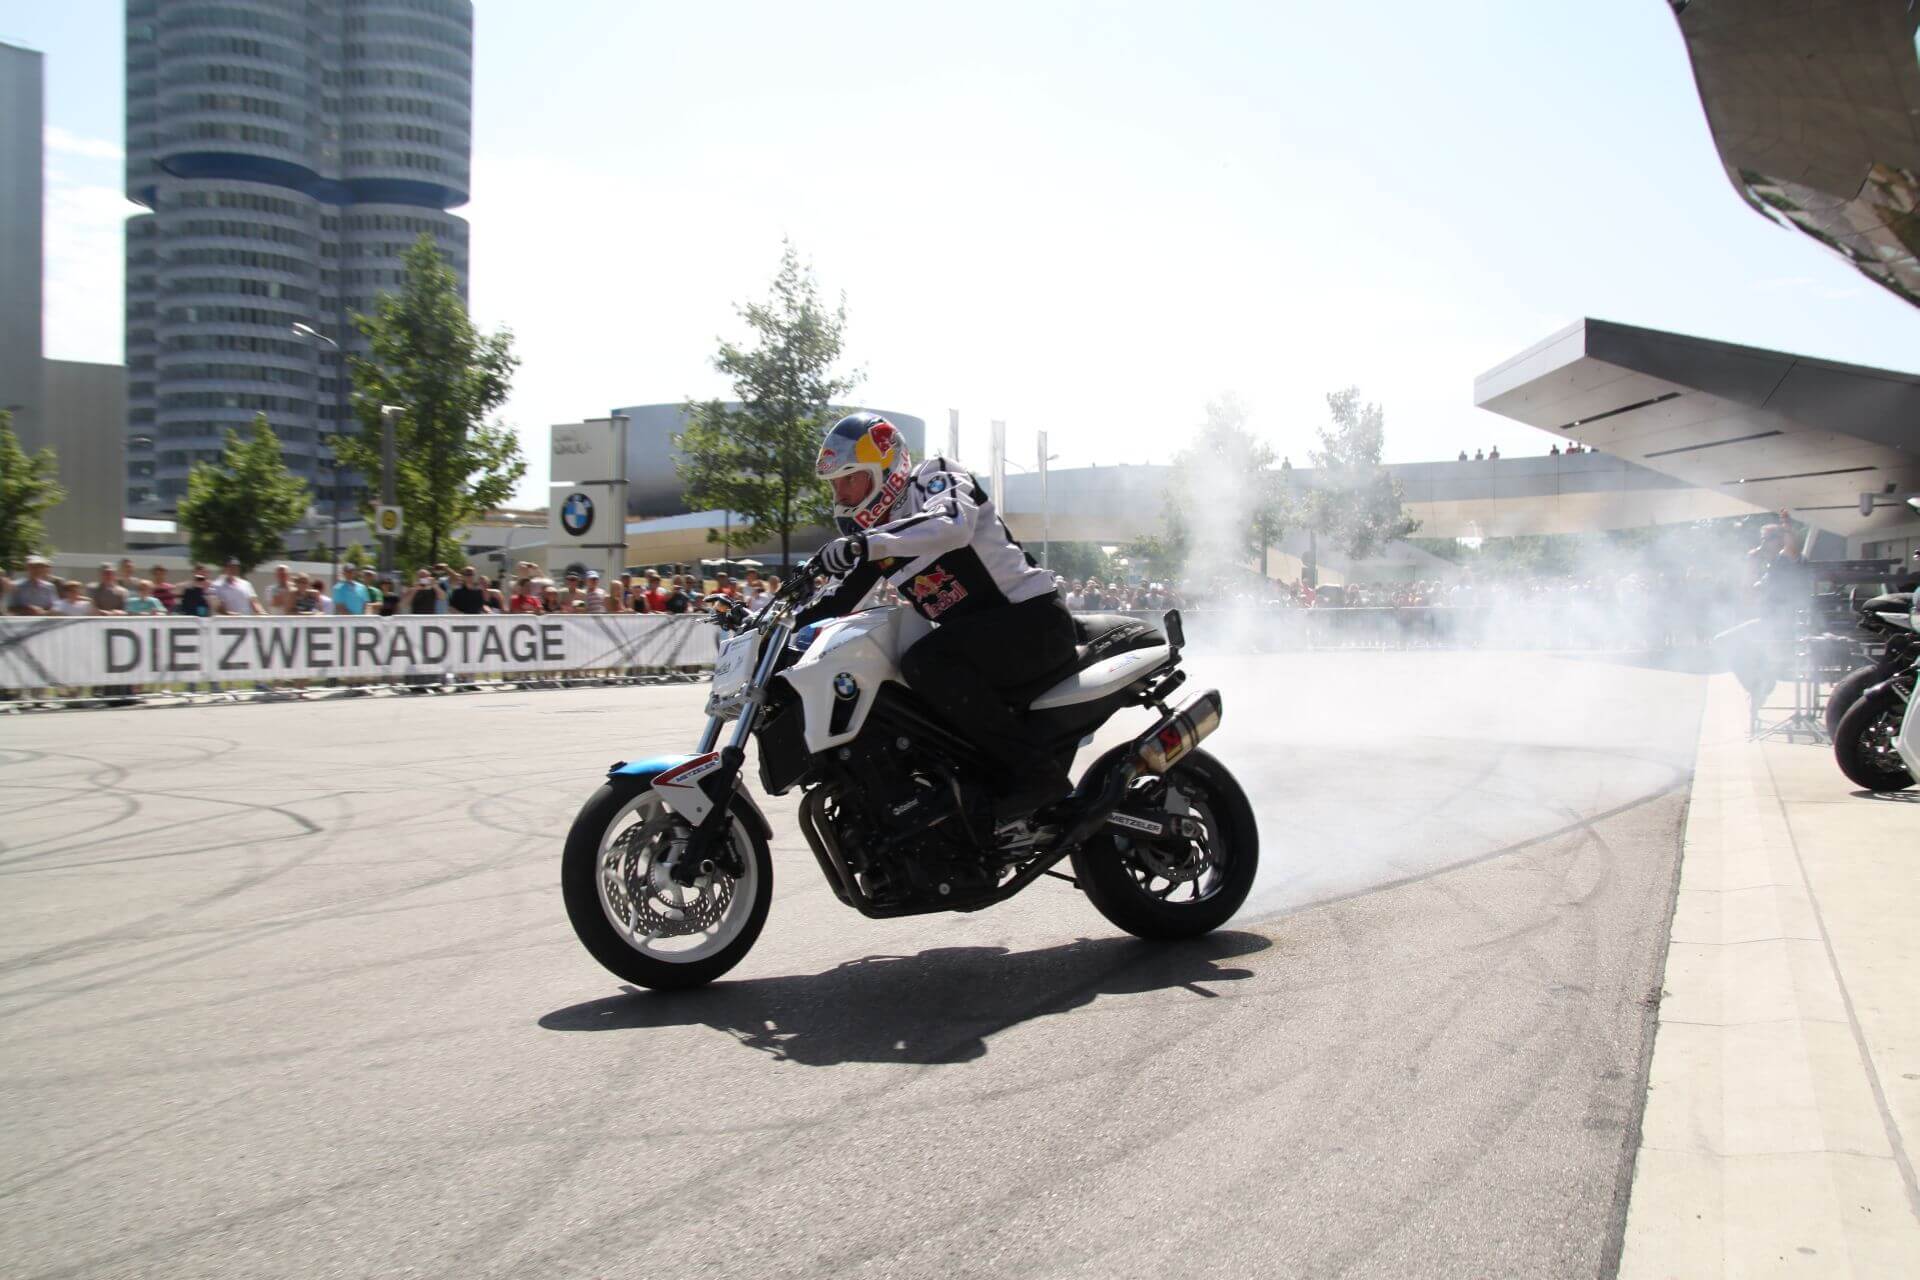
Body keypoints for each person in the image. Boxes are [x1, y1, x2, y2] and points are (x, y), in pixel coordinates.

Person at [797, 411, 1077, 822]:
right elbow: (838, 600)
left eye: (849, 479)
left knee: (925, 662)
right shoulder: (881, 536)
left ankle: (1038, 777)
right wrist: (773, 627)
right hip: (985, 645)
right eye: (835, 484)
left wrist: (864, 543)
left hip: (1033, 624)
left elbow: (953, 524)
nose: (841, 494)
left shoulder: (935, 476)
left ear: (885, 471)